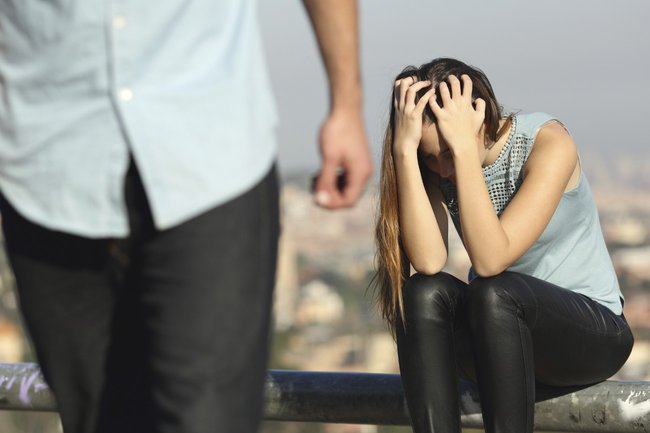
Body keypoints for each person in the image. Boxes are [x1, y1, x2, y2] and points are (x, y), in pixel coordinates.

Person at [0, 1, 372, 433]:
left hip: (209, 152)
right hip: (49, 162)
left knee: (208, 418)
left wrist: (346, 103)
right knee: (98, 419)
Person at [372, 57, 633, 433]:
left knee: (494, 291)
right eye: (429, 157)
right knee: (421, 292)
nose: (442, 169)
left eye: (447, 154)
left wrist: (464, 150)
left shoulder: (548, 142)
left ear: (481, 120)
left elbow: (491, 259)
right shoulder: (436, 168)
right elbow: (428, 260)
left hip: (590, 338)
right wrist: (403, 152)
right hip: (498, 339)